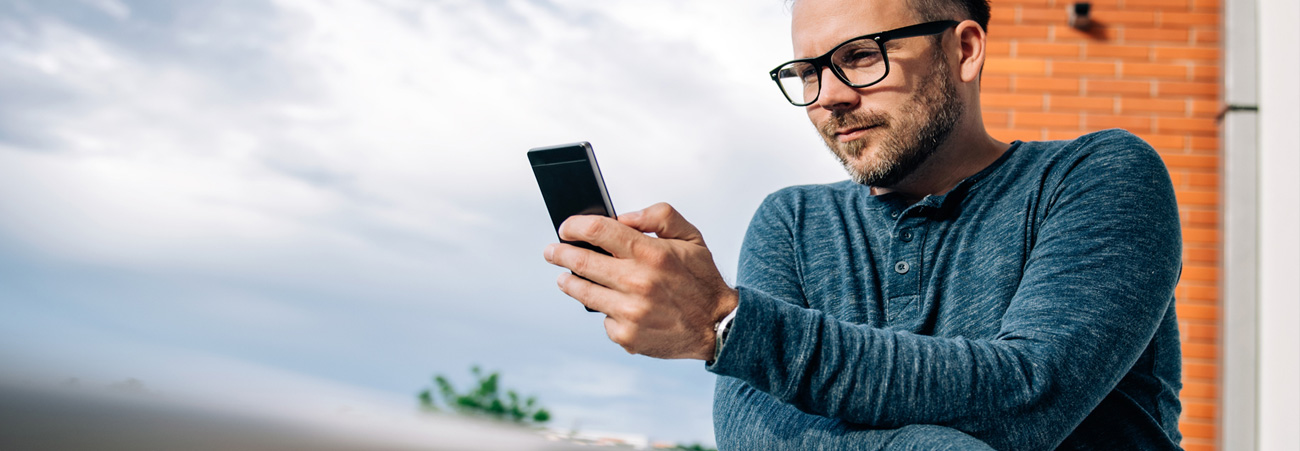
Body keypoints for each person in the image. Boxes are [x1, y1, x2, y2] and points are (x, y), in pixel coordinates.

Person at [542, 0, 1184, 448]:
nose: (829, 97)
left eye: (859, 56)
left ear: (963, 50)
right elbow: (754, 435)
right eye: (806, 72)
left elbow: (1025, 399)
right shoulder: (793, 221)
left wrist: (726, 323)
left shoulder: (1096, 175)